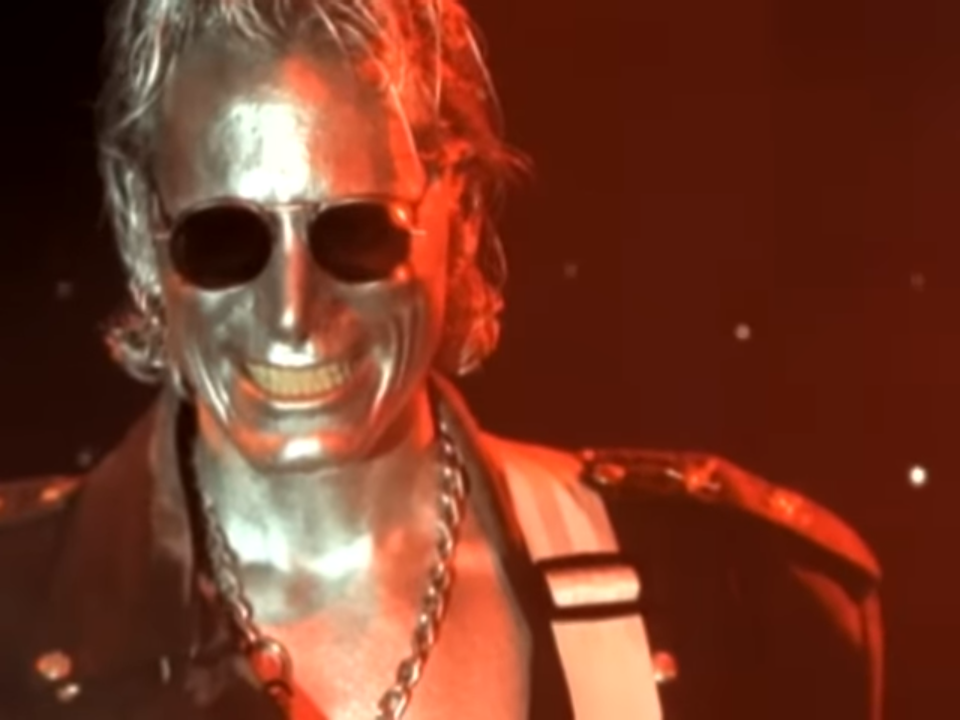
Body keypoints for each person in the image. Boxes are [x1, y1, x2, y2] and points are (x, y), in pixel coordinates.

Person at [0, 1, 884, 718]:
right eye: (224, 239)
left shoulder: (739, 601)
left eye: (357, 230)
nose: (293, 315)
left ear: (458, 211)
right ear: (139, 229)